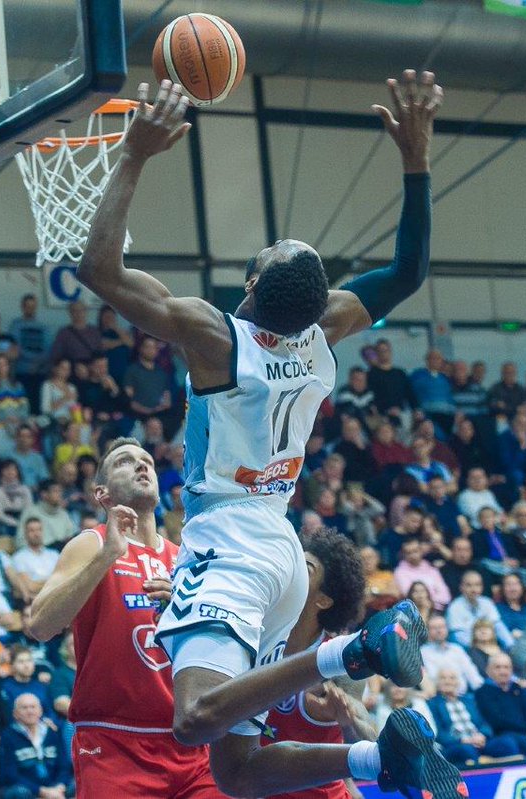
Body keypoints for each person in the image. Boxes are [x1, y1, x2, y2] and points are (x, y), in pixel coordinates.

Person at [69, 73, 455, 799]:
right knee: (239, 773)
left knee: (194, 720)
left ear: (249, 286)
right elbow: (408, 270)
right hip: (280, 543)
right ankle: (379, 761)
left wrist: (135, 153)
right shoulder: (327, 329)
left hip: (228, 542)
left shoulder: (216, 336)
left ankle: (353, 647)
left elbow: (98, 269)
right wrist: (416, 160)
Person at [25, 439, 221, 798]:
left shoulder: (184, 558)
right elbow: (39, 625)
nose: (141, 466)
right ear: (102, 494)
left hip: (188, 741)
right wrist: (109, 556)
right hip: (113, 742)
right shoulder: (91, 544)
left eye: (146, 460)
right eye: (125, 462)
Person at [261, 528, 373, 799]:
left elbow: (369, 739)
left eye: (307, 568)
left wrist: (345, 721)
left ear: (323, 600)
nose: (293, 569)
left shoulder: (339, 659)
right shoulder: (255, 636)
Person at [0, 693, 73, 799]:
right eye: (24, 708)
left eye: (33, 707)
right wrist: (41, 791)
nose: (30, 711)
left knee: (79, 783)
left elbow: (64, 766)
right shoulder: (7, 737)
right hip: (26, 790)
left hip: (54, 787)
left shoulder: (52, 733)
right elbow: (9, 775)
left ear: (40, 711)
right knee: (20, 793)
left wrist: (59, 786)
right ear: (15, 713)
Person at [426, 668, 510, 765]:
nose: (447, 681)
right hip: (456, 744)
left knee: (506, 743)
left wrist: (482, 735)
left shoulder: (469, 700)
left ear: (458, 682)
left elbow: (484, 724)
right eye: (443, 678)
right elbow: (439, 733)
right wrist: (463, 740)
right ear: (437, 683)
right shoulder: (433, 704)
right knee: (467, 750)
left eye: (452, 678)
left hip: (479, 741)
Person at [9, 293, 50, 414]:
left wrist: (37, 363)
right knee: (24, 407)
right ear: (22, 307)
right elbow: (16, 348)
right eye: (27, 306)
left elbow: (47, 349)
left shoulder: (44, 327)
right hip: (22, 372)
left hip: (40, 373)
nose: (30, 309)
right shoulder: (16, 325)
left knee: (38, 408)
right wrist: (33, 361)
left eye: (33, 306)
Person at [12, 517, 60, 602]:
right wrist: (54, 583)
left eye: (39, 530)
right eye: (32, 530)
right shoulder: (19, 557)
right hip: (36, 601)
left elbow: (65, 580)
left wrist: (39, 584)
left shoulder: (55, 555)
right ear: (25, 534)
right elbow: (30, 587)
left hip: (57, 597)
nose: (36, 534)